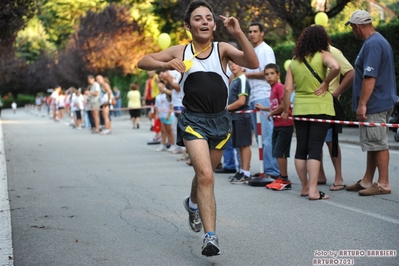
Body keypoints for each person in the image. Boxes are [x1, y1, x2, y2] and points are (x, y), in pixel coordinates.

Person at [138, 0, 258, 256]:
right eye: (198, 18)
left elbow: (252, 62)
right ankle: (211, 236)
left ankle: (192, 204)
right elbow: (142, 61)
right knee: (205, 175)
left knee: (206, 175)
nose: (204, 21)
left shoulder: (223, 48)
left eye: (208, 18)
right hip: (193, 121)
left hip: (220, 122)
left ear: (214, 24)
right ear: (188, 26)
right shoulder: (180, 51)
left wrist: (238, 32)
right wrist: (165, 65)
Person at [281, 25, 340, 200]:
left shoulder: (294, 61)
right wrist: (326, 83)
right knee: (315, 148)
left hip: (300, 108)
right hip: (321, 108)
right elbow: (336, 67)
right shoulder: (323, 55)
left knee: (301, 148)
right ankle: (314, 190)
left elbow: (287, 90)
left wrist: (286, 110)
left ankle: (305, 187)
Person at [345, 10, 396, 196]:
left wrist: (362, 104)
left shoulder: (373, 44)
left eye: (352, 27)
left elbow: (370, 76)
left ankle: (383, 183)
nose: (352, 31)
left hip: (375, 103)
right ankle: (367, 180)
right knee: (372, 142)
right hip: (380, 100)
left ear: (358, 26)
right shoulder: (376, 41)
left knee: (378, 142)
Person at [245, 22, 279, 181]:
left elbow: (269, 72)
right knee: (259, 138)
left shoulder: (266, 49)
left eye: (255, 31)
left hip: (264, 95)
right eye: (250, 31)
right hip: (253, 96)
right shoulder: (252, 50)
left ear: (262, 33)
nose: (252, 34)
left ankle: (272, 170)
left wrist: (248, 74)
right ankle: (264, 169)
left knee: (267, 135)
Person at [318, 45, 354, 191]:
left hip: (329, 104)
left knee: (331, 141)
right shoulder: (309, 53)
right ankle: (320, 175)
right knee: (315, 141)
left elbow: (350, 72)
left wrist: (335, 93)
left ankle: (339, 177)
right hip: (313, 104)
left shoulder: (333, 52)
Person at [256, 63, 294, 191]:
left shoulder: (280, 87)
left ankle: (284, 179)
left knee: (280, 152)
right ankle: (281, 177)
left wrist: (271, 113)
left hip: (285, 125)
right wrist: (265, 108)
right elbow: (275, 106)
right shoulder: (272, 89)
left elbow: (284, 106)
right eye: (266, 74)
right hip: (277, 125)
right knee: (277, 152)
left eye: (272, 74)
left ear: (278, 75)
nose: (269, 77)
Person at [226, 60, 252, 184]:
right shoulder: (234, 79)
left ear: (242, 64)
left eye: (235, 63)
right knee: (239, 145)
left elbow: (242, 101)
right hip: (235, 117)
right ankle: (242, 170)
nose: (232, 66)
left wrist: (226, 108)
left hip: (242, 117)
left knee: (244, 144)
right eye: (230, 64)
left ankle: (246, 172)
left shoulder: (242, 79)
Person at [154, 81, 175, 151]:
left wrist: (169, 115)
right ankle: (162, 145)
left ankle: (172, 145)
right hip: (161, 115)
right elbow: (157, 107)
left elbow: (171, 105)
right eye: (159, 86)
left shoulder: (168, 95)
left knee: (169, 131)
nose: (160, 88)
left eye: (161, 86)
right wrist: (157, 115)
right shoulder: (157, 96)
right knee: (163, 131)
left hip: (168, 115)